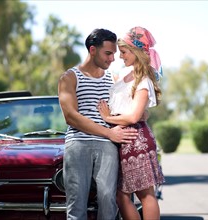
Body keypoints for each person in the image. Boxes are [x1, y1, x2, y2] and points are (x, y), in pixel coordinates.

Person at [58, 28, 138, 220]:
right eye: (108, 53)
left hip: (108, 145)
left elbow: (133, 106)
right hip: (78, 144)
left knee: (107, 199)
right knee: (76, 204)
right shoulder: (69, 78)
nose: (112, 59)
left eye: (114, 54)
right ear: (92, 50)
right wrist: (109, 132)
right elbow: (71, 116)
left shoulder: (114, 79)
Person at [97, 26, 165, 220]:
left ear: (135, 51)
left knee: (145, 194)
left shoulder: (143, 80)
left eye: (124, 52)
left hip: (136, 140)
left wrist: (107, 118)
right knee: (121, 195)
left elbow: (134, 116)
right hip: (122, 141)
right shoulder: (125, 75)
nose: (120, 56)